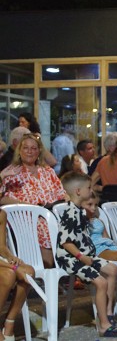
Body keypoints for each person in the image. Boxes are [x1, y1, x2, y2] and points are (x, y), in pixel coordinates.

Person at [56, 172, 117, 337]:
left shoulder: (79, 210)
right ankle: (104, 325)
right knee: (101, 283)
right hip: (71, 258)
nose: (91, 190)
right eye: (88, 187)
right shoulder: (70, 213)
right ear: (78, 191)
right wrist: (82, 257)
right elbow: (66, 242)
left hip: (84, 255)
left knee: (112, 269)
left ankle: (107, 312)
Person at [0, 134, 69, 267]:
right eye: (26, 148)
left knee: (72, 221)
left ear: (39, 151)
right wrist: (26, 205)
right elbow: (2, 199)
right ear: (19, 151)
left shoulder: (47, 171)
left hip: (50, 211)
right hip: (25, 217)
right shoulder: (12, 171)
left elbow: (62, 193)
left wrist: (66, 200)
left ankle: (69, 267)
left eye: (33, 148)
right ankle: (48, 270)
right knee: (45, 226)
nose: (30, 151)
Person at [0, 208, 35, 341]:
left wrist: (11, 258)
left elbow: (1, 247)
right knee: (9, 275)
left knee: (29, 272)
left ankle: (9, 322)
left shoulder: (1, 214)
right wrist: (13, 267)